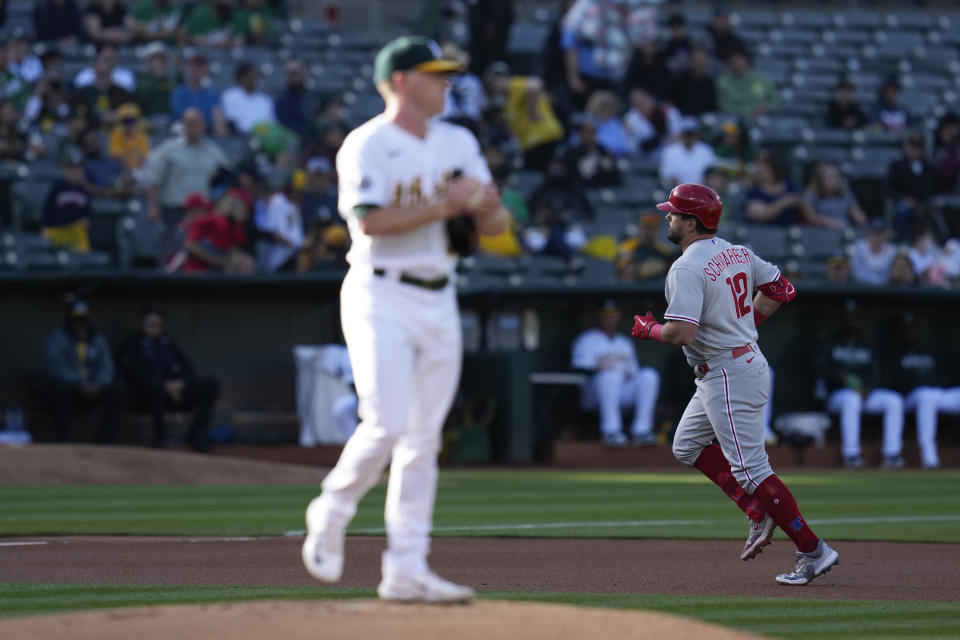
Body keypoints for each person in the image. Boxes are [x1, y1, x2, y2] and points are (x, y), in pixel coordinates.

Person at [301, 36, 509, 603]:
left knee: (422, 441)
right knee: (386, 423)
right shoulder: (366, 144)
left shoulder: (457, 140)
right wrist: (448, 205)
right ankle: (334, 505)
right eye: (433, 74)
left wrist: (487, 206)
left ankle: (407, 567)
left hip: (441, 295)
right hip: (381, 293)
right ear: (401, 81)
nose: (446, 83)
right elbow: (367, 222)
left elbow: (495, 226)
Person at [631, 182, 840, 585]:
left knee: (752, 469)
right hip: (733, 366)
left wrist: (649, 329)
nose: (668, 218)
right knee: (687, 444)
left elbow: (681, 335)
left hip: (728, 373)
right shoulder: (737, 251)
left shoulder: (686, 267)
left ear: (691, 222)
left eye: (673, 213)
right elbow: (783, 289)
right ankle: (756, 509)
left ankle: (812, 550)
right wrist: (743, 325)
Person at [117, 305, 221, 451]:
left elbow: (190, 369)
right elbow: (133, 376)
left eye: (157, 324)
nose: (154, 327)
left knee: (211, 384)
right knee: (154, 388)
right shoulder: (132, 344)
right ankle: (161, 438)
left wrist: (180, 383)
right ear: (142, 324)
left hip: (175, 394)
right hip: (146, 398)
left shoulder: (168, 342)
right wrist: (164, 385)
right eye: (150, 323)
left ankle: (196, 436)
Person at [816, 303, 905, 469]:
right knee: (851, 400)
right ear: (841, 320)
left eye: (855, 317)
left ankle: (892, 454)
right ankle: (851, 455)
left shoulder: (866, 343)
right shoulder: (830, 343)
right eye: (848, 317)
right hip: (838, 395)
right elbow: (820, 369)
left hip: (866, 393)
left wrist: (869, 388)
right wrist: (838, 375)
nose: (851, 321)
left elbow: (876, 373)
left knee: (894, 400)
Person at [571, 300, 661, 447]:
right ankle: (611, 431)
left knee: (649, 375)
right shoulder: (587, 340)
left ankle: (642, 431)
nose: (609, 319)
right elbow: (579, 369)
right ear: (598, 317)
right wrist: (598, 367)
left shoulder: (624, 342)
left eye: (613, 315)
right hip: (594, 393)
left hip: (621, 391)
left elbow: (634, 372)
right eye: (606, 315)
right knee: (609, 376)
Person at [42, 298, 125, 443]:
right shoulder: (58, 338)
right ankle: (64, 438)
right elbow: (56, 368)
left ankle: (106, 440)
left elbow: (107, 368)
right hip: (72, 389)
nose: (80, 324)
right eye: (76, 320)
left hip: (96, 389)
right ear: (69, 320)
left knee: (118, 390)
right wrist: (80, 383)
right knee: (57, 390)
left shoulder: (97, 339)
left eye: (83, 320)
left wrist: (97, 383)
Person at [888, 313, 960, 469]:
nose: (911, 333)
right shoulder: (895, 354)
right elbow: (893, 383)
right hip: (913, 397)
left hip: (938, 393)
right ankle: (930, 458)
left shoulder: (929, 352)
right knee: (927, 396)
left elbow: (944, 375)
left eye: (913, 329)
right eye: (907, 329)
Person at [143, 107, 231, 228]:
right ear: (183, 125)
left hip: (203, 211)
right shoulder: (168, 150)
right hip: (174, 210)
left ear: (203, 125)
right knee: (173, 245)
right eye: (189, 124)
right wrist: (153, 206)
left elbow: (227, 178)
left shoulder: (214, 152)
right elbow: (154, 179)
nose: (193, 128)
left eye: (196, 124)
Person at [41, 150, 93, 252]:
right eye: (71, 169)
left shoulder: (84, 191)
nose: (74, 173)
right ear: (66, 171)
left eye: (78, 169)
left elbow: (88, 213)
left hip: (75, 234)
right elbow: (48, 210)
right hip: (57, 232)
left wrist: (86, 221)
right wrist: (46, 226)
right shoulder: (57, 188)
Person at [887, 132, 934, 240]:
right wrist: (904, 199)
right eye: (912, 146)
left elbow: (931, 188)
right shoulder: (896, 166)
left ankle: (927, 242)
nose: (915, 150)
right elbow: (889, 189)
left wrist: (919, 203)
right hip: (903, 202)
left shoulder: (928, 167)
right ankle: (903, 240)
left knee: (933, 212)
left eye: (918, 147)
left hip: (923, 203)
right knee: (903, 210)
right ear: (905, 147)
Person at [170, 53, 229, 135]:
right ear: (188, 69)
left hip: (208, 134)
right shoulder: (179, 93)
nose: (195, 70)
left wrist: (219, 126)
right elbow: (186, 117)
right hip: (185, 134)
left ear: (206, 70)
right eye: (192, 66)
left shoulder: (213, 95)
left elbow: (218, 118)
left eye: (199, 66)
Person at [716, 48, 780, 120]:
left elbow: (776, 100)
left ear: (747, 60)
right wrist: (748, 112)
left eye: (739, 60)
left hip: (761, 118)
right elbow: (724, 106)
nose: (737, 63)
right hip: (734, 120)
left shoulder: (761, 79)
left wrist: (766, 107)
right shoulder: (723, 82)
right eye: (733, 61)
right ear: (729, 63)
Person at [805, 162, 868, 229]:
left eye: (836, 177)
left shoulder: (845, 193)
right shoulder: (812, 194)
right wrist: (827, 222)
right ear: (820, 179)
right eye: (830, 177)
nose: (834, 181)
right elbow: (810, 216)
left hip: (844, 230)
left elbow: (857, 213)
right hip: (822, 231)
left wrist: (860, 218)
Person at [615, 211, 675, 282]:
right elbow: (623, 272)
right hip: (633, 290)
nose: (649, 231)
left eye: (653, 227)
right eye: (646, 227)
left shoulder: (666, 251)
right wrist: (645, 269)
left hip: (658, 290)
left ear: (659, 229)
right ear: (639, 227)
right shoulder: (627, 247)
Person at [659, 118, 716, 190]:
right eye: (687, 134)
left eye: (691, 133)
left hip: (702, 192)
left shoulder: (706, 150)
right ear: (682, 134)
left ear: (696, 134)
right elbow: (668, 176)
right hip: (677, 193)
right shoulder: (670, 151)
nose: (689, 137)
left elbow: (711, 175)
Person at [221, 62, 277, 134]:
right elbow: (231, 122)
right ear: (241, 77)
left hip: (264, 138)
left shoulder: (265, 100)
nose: (254, 79)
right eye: (250, 76)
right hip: (239, 137)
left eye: (255, 75)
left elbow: (271, 123)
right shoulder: (229, 96)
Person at [135, 42, 177, 116]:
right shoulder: (142, 78)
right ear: (149, 62)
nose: (161, 61)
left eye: (163, 58)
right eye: (156, 58)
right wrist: (157, 77)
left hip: (169, 119)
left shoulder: (169, 79)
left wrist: (178, 71)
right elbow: (142, 98)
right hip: (148, 118)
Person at [851, 218, 896, 285]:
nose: (877, 236)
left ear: (885, 234)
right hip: (862, 288)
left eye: (880, 232)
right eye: (874, 232)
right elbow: (856, 272)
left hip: (885, 289)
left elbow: (890, 274)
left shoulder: (892, 250)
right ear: (869, 233)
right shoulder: (859, 247)